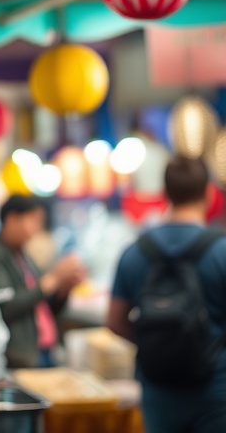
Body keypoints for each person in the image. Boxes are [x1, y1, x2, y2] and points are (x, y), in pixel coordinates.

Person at [106, 156, 226, 432]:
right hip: (215, 387)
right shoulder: (222, 250)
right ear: (209, 193)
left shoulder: (135, 252)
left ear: (165, 194)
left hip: (157, 386)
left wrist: (159, 341)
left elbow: (114, 321)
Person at [0, 194, 86, 369]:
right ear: (12, 219)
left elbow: (47, 304)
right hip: (18, 354)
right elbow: (6, 306)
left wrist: (64, 286)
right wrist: (54, 278)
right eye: (34, 220)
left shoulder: (24, 256)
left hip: (44, 347)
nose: (37, 229)